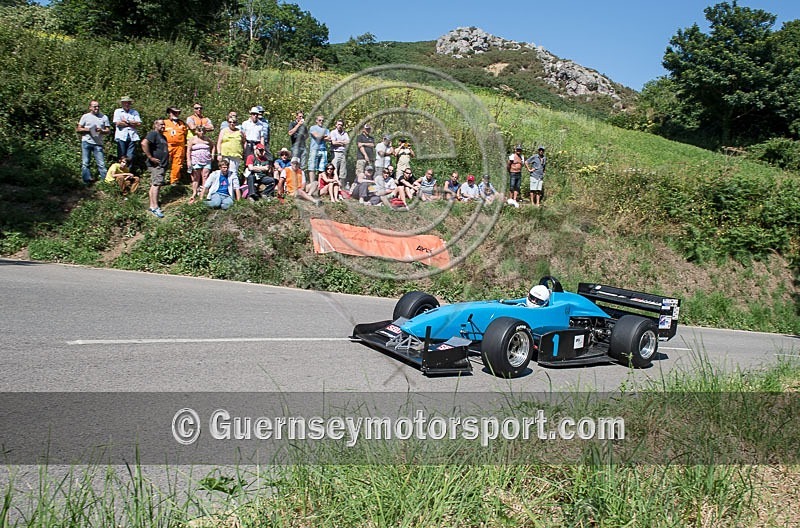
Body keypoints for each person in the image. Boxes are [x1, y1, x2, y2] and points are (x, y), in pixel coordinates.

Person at [76, 100, 110, 184]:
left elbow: (108, 130)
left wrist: (101, 130)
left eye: (98, 106)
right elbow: (78, 129)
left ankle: (105, 182)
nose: (97, 108)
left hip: (98, 143)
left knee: (101, 164)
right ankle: (86, 181)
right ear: (90, 107)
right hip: (86, 142)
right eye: (95, 107)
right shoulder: (85, 116)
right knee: (85, 162)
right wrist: (89, 130)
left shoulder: (104, 117)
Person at [141, 119, 170, 218]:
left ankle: (152, 205)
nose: (163, 126)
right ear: (155, 125)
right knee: (156, 184)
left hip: (162, 164)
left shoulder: (163, 136)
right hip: (156, 165)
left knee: (155, 184)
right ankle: (155, 207)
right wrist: (150, 157)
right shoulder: (153, 134)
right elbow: (144, 143)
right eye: (161, 124)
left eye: (164, 125)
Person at [187, 126, 215, 204]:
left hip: (206, 160)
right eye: (199, 130)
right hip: (196, 160)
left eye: (203, 131)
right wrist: (189, 161)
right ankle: (194, 193)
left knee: (205, 176)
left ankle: (203, 194)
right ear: (196, 131)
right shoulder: (192, 139)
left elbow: (213, 146)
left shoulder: (207, 139)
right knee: (196, 177)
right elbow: (188, 150)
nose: (201, 132)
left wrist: (212, 155)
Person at [163, 106, 188, 185]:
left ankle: (174, 181)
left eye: (177, 112)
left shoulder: (182, 123)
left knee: (177, 164)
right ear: (169, 113)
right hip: (167, 146)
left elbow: (186, 134)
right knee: (163, 162)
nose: (176, 114)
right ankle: (160, 179)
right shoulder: (164, 122)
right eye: (174, 112)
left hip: (179, 147)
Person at [112, 96, 141, 161]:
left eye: (128, 103)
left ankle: (129, 167)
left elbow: (138, 123)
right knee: (121, 156)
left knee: (130, 157)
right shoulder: (118, 111)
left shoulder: (134, 112)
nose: (127, 104)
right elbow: (118, 123)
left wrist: (126, 121)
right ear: (122, 103)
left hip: (132, 136)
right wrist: (131, 123)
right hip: (121, 136)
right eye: (125, 103)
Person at [217, 115, 245, 179]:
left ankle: (233, 185)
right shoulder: (223, 131)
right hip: (225, 154)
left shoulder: (240, 131)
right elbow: (219, 143)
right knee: (224, 170)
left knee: (233, 172)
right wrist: (219, 154)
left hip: (235, 155)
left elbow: (244, 142)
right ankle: (224, 184)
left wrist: (243, 152)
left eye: (234, 122)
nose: (232, 123)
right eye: (230, 122)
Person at [307, 115, 329, 183]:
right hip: (314, 149)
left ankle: (320, 184)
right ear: (316, 121)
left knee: (322, 168)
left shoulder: (326, 129)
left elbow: (329, 138)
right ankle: (312, 183)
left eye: (322, 120)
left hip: (323, 150)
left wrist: (320, 136)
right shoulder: (313, 128)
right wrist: (323, 136)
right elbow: (317, 136)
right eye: (319, 120)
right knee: (312, 167)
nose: (321, 122)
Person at [329, 119, 350, 186]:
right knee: (334, 169)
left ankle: (341, 186)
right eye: (338, 124)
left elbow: (348, 142)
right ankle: (333, 185)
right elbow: (334, 142)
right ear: (336, 125)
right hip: (335, 152)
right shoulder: (333, 132)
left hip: (343, 153)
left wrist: (339, 142)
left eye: (341, 125)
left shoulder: (345, 133)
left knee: (343, 171)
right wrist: (342, 143)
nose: (340, 126)